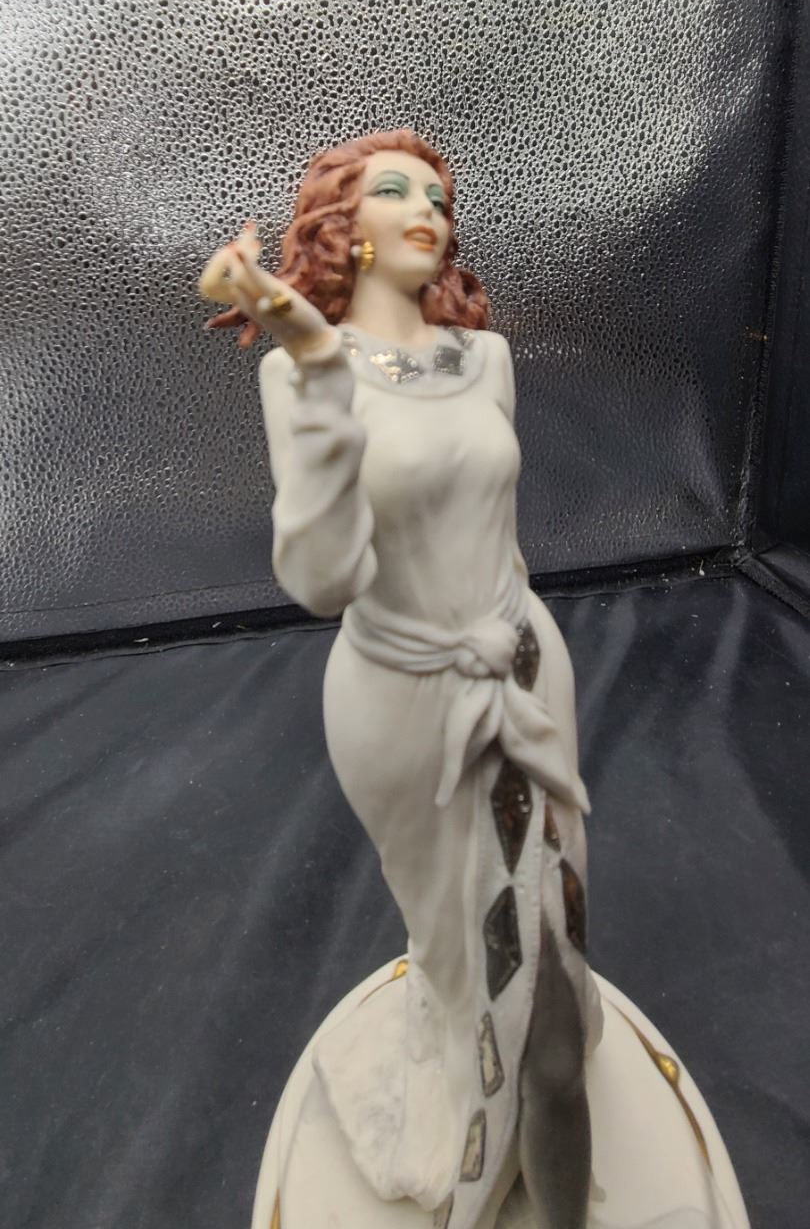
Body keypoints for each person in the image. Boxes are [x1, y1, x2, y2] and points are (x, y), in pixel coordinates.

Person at [200, 128, 602, 1229]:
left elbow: (499, 534)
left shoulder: (488, 360)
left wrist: (515, 640)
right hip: (403, 705)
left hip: (525, 672)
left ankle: (549, 1126)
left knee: (555, 968)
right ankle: (483, 1119)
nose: (429, 208)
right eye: (396, 190)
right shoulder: (299, 370)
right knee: (459, 953)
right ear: (349, 229)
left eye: (440, 195)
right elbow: (323, 580)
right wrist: (320, 369)